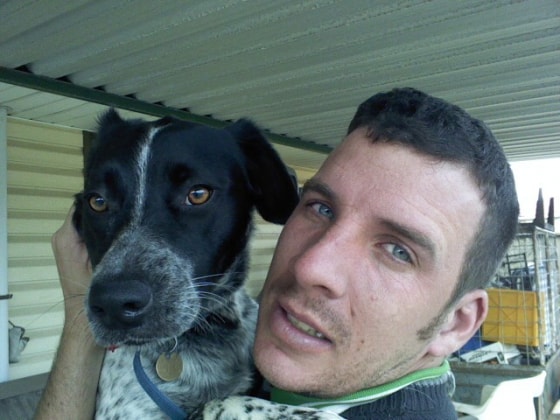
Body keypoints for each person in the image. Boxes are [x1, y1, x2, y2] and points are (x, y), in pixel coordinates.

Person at [35, 87, 519, 419]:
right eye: (322, 208)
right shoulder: (280, 348)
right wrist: (83, 313)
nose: (312, 266)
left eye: (397, 250)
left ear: (457, 324)